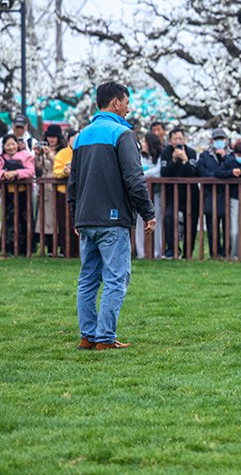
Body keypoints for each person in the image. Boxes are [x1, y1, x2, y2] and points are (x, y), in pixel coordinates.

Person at [68, 81, 156, 350]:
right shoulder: (122, 134)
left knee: (88, 279)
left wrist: (75, 215)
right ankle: (105, 338)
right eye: (127, 102)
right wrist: (147, 212)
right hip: (113, 219)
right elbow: (134, 177)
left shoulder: (81, 136)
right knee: (116, 278)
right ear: (116, 102)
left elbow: (73, 181)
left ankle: (88, 336)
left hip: (86, 218)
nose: (129, 108)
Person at [160, 128, 200, 259]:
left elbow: (192, 173)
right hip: (172, 194)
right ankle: (172, 248)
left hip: (191, 194)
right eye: (175, 139)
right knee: (168, 217)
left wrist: (185, 160)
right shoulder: (165, 153)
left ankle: (188, 252)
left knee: (191, 222)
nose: (178, 142)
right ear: (170, 141)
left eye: (180, 139)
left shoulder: (191, 152)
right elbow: (164, 173)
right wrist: (173, 160)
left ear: (185, 139)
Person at [196, 128, 231, 258]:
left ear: (226, 140)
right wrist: (217, 176)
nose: (219, 142)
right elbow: (200, 170)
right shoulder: (205, 156)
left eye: (221, 139)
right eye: (216, 139)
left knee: (227, 226)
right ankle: (214, 252)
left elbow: (232, 169)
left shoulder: (231, 155)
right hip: (210, 194)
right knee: (212, 225)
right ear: (212, 141)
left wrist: (224, 157)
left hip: (226, 194)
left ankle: (227, 252)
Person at [1, 132, 36, 255]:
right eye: (7, 144)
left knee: (24, 220)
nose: (11, 147)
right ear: (3, 146)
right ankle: (9, 248)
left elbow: (31, 171)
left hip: (23, 195)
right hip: (8, 195)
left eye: (13, 144)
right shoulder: (1, 158)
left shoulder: (26, 156)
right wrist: (4, 174)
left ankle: (26, 249)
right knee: (8, 220)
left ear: (17, 144)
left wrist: (16, 173)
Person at [34, 124, 64, 254]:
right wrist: (37, 155)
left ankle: (59, 246)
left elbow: (57, 165)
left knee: (57, 217)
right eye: (49, 136)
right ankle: (46, 245)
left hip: (57, 186)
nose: (52, 139)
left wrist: (50, 155)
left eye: (54, 137)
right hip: (45, 188)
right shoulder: (43, 150)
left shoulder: (61, 151)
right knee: (45, 218)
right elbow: (39, 169)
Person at [134, 132, 163, 259]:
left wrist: (144, 174)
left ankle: (157, 252)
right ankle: (141, 252)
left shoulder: (160, 156)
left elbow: (158, 172)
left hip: (156, 194)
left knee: (157, 222)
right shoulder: (139, 156)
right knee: (140, 223)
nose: (143, 144)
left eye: (145, 142)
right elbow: (136, 170)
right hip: (141, 194)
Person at [53, 130, 79, 257]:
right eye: (74, 138)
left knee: (79, 222)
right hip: (63, 192)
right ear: (68, 140)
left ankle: (79, 250)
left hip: (81, 192)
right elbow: (56, 172)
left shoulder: (85, 151)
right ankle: (66, 250)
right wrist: (65, 171)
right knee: (64, 222)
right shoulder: (62, 154)